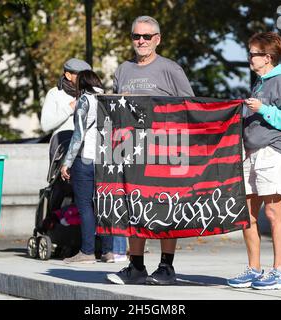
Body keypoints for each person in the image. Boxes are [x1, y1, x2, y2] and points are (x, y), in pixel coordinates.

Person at [106, 16, 194, 285]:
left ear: (157, 39)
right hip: (130, 150)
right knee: (134, 206)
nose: (141, 41)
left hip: (166, 148)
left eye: (146, 37)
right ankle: (136, 267)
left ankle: (166, 267)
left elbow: (190, 106)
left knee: (166, 206)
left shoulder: (171, 69)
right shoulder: (122, 70)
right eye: (136, 36)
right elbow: (114, 109)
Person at [227, 32, 281, 290]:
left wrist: (263, 109)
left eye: (253, 53)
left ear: (267, 57)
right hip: (252, 153)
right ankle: (253, 269)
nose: (249, 57)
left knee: (273, 211)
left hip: (275, 151)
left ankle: (280, 272)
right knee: (247, 214)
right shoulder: (260, 82)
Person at [60, 70, 114, 264]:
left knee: (85, 206)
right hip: (107, 160)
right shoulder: (108, 100)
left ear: (81, 84)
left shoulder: (85, 100)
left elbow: (78, 135)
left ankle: (87, 252)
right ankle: (108, 252)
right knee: (104, 205)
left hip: (86, 159)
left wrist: (66, 163)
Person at [40, 58, 91, 211]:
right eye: (80, 75)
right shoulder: (55, 94)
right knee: (62, 185)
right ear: (68, 75)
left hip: (86, 141)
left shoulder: (90, 93)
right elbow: (45, 125)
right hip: (63, 141)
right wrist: (70, 108)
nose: (85, 78)